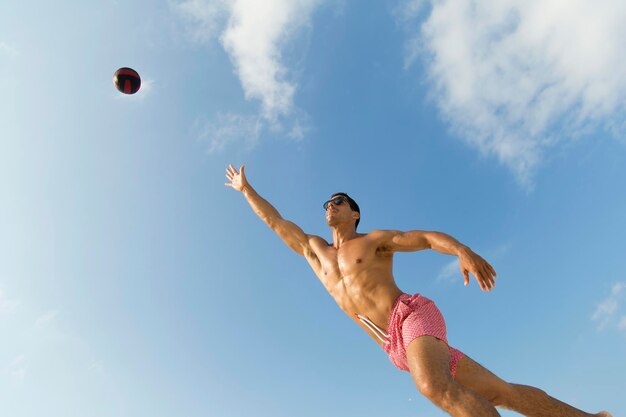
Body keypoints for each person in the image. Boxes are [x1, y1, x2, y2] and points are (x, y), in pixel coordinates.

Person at [225, 164, 612, 417]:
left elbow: (424, 238)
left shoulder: (374, 241)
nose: (330, 205)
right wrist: (246, 189)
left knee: (432, 386)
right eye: (327, 202)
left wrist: (462, 250)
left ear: (354, 213)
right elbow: (276, 222)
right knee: (499, 392)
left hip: (411, 316)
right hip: (396, 347)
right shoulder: (314, 250)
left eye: (338, 201)